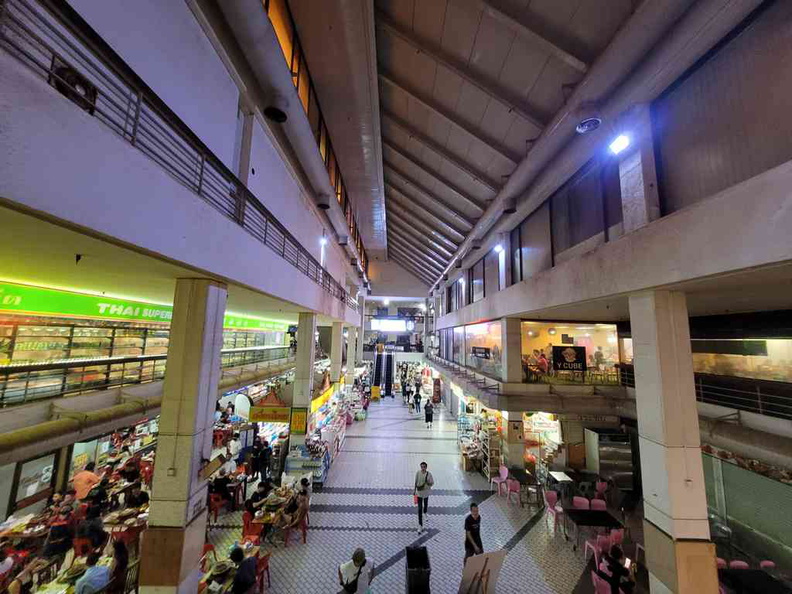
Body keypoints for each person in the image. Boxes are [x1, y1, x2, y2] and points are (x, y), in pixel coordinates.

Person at [413, 462, 434, 534]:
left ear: (426, 467)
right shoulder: (418, 473)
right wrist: (414, 490)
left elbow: (432, 483)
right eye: (421, 467)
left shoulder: (429, 474)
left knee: (425, 504)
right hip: (419, 493)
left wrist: (428, 483)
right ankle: (420, 525)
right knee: (419, 509)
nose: (423, 468)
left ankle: (425, 512)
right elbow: (415, 482)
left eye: (424, 467)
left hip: (426, 493)